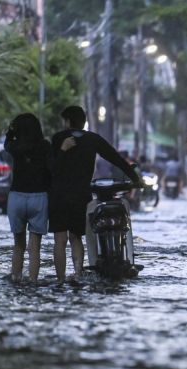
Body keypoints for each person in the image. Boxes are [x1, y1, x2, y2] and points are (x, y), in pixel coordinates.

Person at [49, 105, 140, 282]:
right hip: (81, 196)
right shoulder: (93, 139)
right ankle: (77, 275)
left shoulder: (58, 138)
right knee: (76, 238)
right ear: (83, 122)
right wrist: (134, 177)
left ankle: (60, 280)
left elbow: (52, 167)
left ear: (67, 121)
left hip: (58, 196)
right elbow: (115, 158)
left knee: (59, 240)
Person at [3, 113, 52, 283]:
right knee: (34, 247)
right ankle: (33, 280)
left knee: (18, 245)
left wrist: (10, 132)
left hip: (16, 197)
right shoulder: (45, 146)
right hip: (38, 197)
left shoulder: (16, 146)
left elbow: (6, 144)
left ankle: (16, 276)